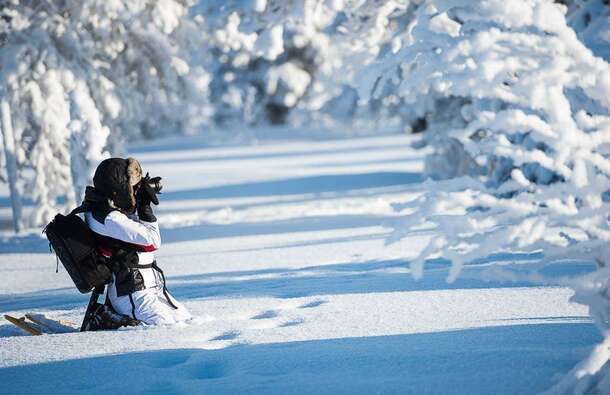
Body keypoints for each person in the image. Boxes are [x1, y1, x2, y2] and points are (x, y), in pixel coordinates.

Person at [79, 157, 191, 327]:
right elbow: (152, 241)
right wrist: (145, 207)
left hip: (150, 287)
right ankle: (108, 319)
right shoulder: (109, 218)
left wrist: (137, 200)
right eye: (132, 186)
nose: (135, 189)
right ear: (119, 187)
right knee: (166, 328)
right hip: (132, 293)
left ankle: (112, 318)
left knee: (186, 321)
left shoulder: (106, 209)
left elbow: (130, 232)